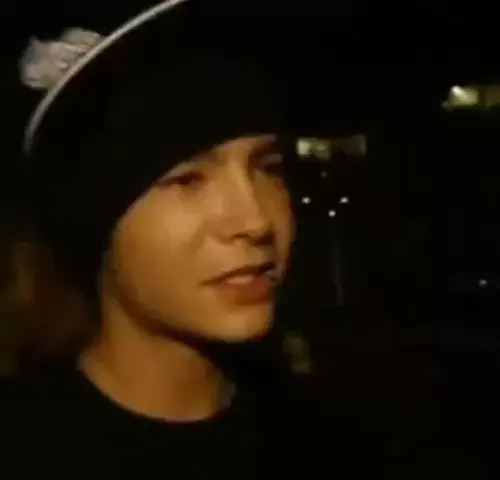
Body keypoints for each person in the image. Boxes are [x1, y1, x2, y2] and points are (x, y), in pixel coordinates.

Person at [0, 1, 395, 478]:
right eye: (188, 181)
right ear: (94, 221)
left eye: (268, 168)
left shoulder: (334, 445)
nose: (256, 221)